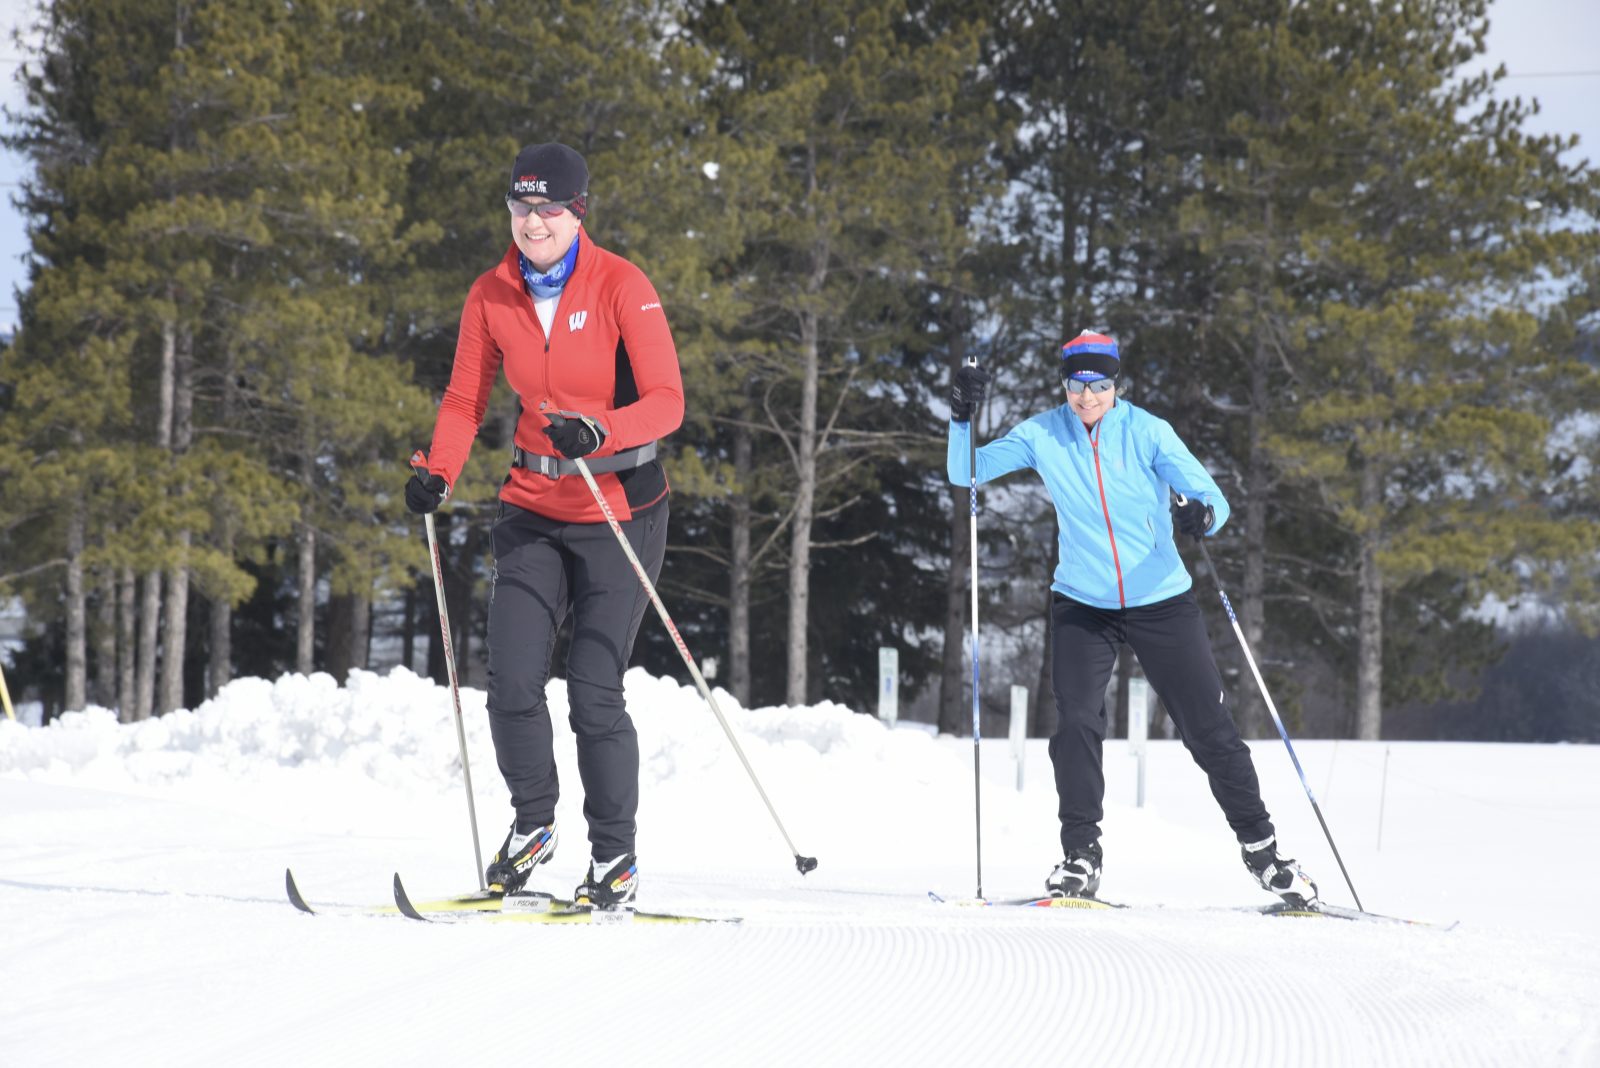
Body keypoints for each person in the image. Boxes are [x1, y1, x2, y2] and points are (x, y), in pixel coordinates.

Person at [946, 330, 1318, 906]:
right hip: (1082, 604)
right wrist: (962, 417)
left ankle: (1266, 855)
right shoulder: (1043, 433)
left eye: (1099, 386)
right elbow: (964, 472)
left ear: (1116, 385)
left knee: (1208, 729)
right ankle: (1080, 857)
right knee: (1075, 724)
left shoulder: (1148, 431)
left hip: (1160, 601)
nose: (1087, 398)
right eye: (1077, 386)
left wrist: (1202, 515)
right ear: (1064, 385)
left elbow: (1211, 498)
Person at [405, 142, 684, 907]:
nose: (533, 224)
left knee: (594, 690)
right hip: (533, 506)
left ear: (577, 211)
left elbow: (667, 400)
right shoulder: (491, 293)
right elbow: (465, 402)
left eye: (548, 209)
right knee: (513, 683)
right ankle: (533, 824)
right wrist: (438, 471)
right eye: (521, 208)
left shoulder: (622, 284)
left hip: (618, 510)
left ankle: (614, 856)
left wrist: (601, 430)